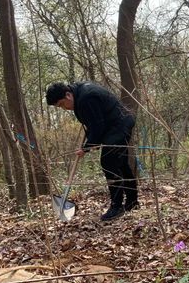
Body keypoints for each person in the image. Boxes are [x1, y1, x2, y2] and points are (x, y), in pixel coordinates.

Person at [46, 81, 139, 221]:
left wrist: (86, 148)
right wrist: (89, 144)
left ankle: (117, 206)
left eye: (62, 104)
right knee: (121, 163)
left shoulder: (86, 98)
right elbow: (93, 124)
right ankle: (132, 202)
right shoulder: (78, 95)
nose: (63, 108)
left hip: (119, 126)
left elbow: (97, 126)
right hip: (114, 126)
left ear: (68, 95)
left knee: (109, 163)